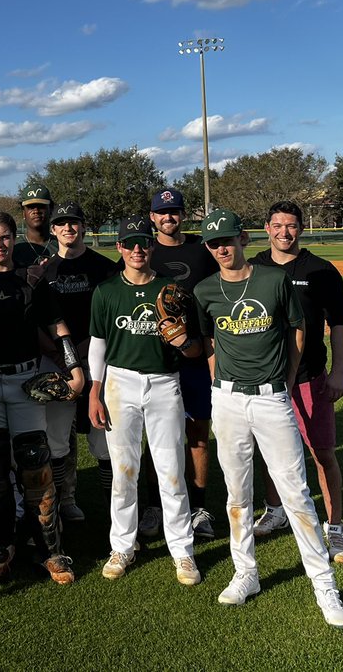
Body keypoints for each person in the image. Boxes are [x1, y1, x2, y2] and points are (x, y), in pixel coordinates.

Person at [192, 209, 343, 628]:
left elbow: (298, 330)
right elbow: (208, 340)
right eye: (213, 243)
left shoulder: (273, 279)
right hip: (227, 401)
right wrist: (216, 381)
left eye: (227, 239)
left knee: (297, 492)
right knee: (236, 493)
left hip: (270, 397)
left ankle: (324, 586)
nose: (222, 248)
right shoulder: (205, 289)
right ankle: (246, 573)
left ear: (244, 238)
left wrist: (282, 380)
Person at [0, 210, 84, 584]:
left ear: (13, 240)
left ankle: (49, 547)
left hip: (26, 380)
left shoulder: (31, 279)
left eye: (5, 237)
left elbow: (57, 327)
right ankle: (3, 542)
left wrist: (74, 367)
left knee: (35, 465)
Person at [87, 216, 202, 586]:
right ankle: (122, 545)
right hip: (120, 382)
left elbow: (194, 348)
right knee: (124, 471)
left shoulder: (172, 289)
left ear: (152, 246)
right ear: (119, 248)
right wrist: (95, 389)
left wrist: (183, 339)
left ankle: (182, 550)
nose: (137, 249)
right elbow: (99, 343)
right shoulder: (106, 291)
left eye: (143, 242)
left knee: (171, 470)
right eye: (129, 243)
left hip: (164, 382)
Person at [251, 201, 343, 562]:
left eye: (291, 226)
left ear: (301, 228)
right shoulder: (255, 268)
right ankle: (275, 509)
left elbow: (338, 323)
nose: (284, 232)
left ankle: (336, 526)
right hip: (265, 377)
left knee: (322, 452)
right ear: (266, 227)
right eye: (277, 225)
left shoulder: (321, 270)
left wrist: (338, 372)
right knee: (269, 451)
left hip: (310, 376)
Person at [137, 188, 219, 541]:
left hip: (197, 358)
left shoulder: (202, 251)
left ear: (183, 215)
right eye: (162, 212)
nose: (169, 217)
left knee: (198, 436)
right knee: (156, 440)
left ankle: (199, 507)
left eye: (174, 211)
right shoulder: (144, 253)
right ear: (153, 217)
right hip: (155, 360)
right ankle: (154, 507)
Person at [34, 201, 117, 521]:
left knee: (104, 437)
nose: (68, 228)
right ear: (53, 230)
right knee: (56, 440)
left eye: (74, 222)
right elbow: (40, 322)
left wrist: (85, 353)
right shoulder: (44, 271)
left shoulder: (104, 267)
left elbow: (111, 316)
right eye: (62, 223)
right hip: (58, 364)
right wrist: (63, 357)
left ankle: (115, 508)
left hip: (98, 360)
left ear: (83, 226)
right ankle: (62, 503)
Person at [11, 185, 56, 269]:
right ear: (23, 213)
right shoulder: (13, 248)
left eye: (41, 206)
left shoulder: (62, 246)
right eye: (30, 207)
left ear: (51, 209)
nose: (36, 211)